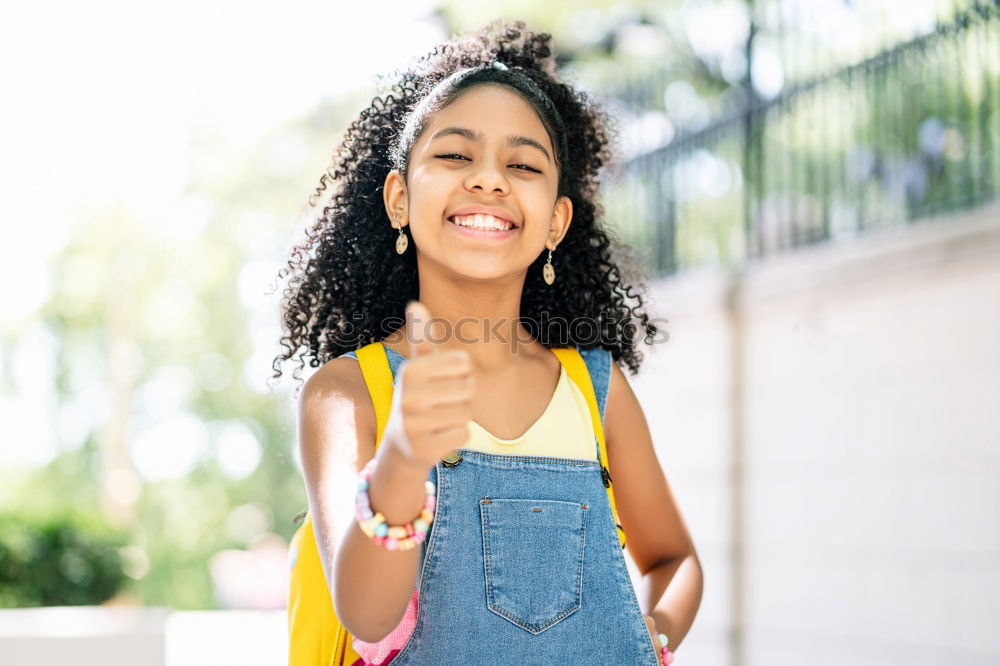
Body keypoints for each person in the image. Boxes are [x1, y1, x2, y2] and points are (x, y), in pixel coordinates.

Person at [274, 18, 703, 665]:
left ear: (557, 221)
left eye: (523, 164)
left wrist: (656, 632)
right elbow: (365, 612)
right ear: (398, 198)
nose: (489, 179)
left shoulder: (597, 392)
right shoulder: (345, 394)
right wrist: (403, 457)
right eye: (454, 154)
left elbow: (675, 559)